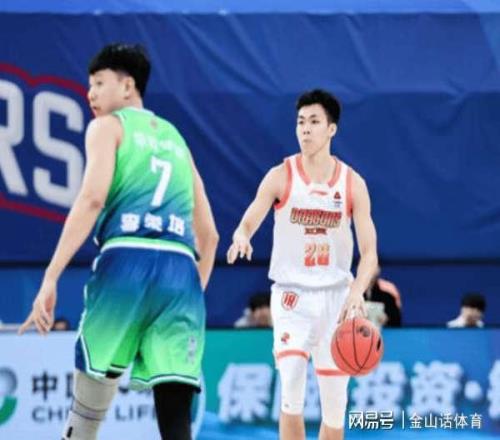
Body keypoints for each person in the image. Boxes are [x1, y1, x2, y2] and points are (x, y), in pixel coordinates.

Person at [19, 43, 219, 440]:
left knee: (87, 412)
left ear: (128, 86)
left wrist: (51, 276)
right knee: (176, 422)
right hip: (181, 270)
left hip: (127, 259)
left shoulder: (107, 127)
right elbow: (210, 236)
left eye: (98, 83)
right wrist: (190, 292)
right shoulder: (177, 140)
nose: (90, 93)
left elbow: (92, 199)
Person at [227, 89, 378, 440]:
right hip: (292, 296)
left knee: (334, 408)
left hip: (337, 298)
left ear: (331, 129)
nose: (305, 129)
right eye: (300, 122)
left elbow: (370, 253)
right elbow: (249, 220)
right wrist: (242, 235)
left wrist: (357, 292)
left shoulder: (353, 183)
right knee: (292, 385)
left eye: (313, 122)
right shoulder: (281, 175)